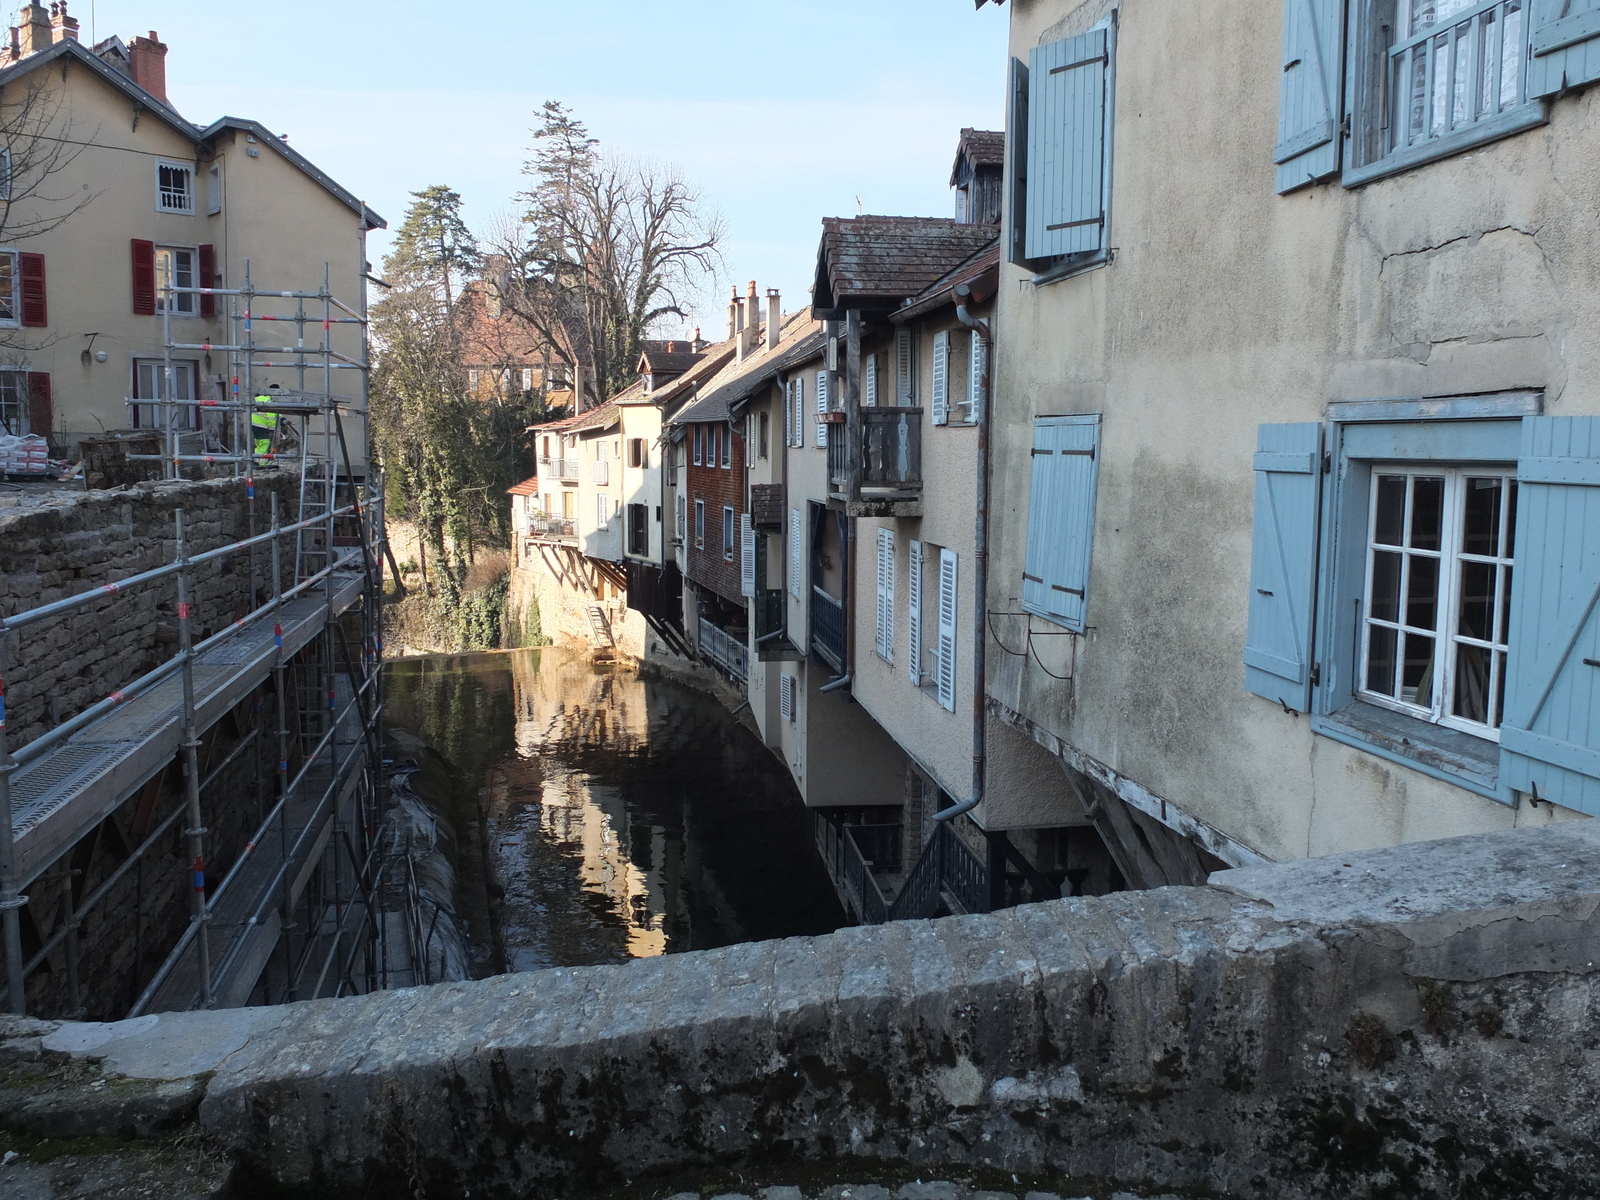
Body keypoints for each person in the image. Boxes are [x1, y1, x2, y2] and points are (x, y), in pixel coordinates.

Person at [251, 383, 282, 458]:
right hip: (263, 426)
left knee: (259, 445)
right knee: (265, 444)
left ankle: (257, 461)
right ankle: (262, 464)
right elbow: (272, 417)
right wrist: (276, 429)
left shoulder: (258, 398)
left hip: (254, 425)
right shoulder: (270, 401)